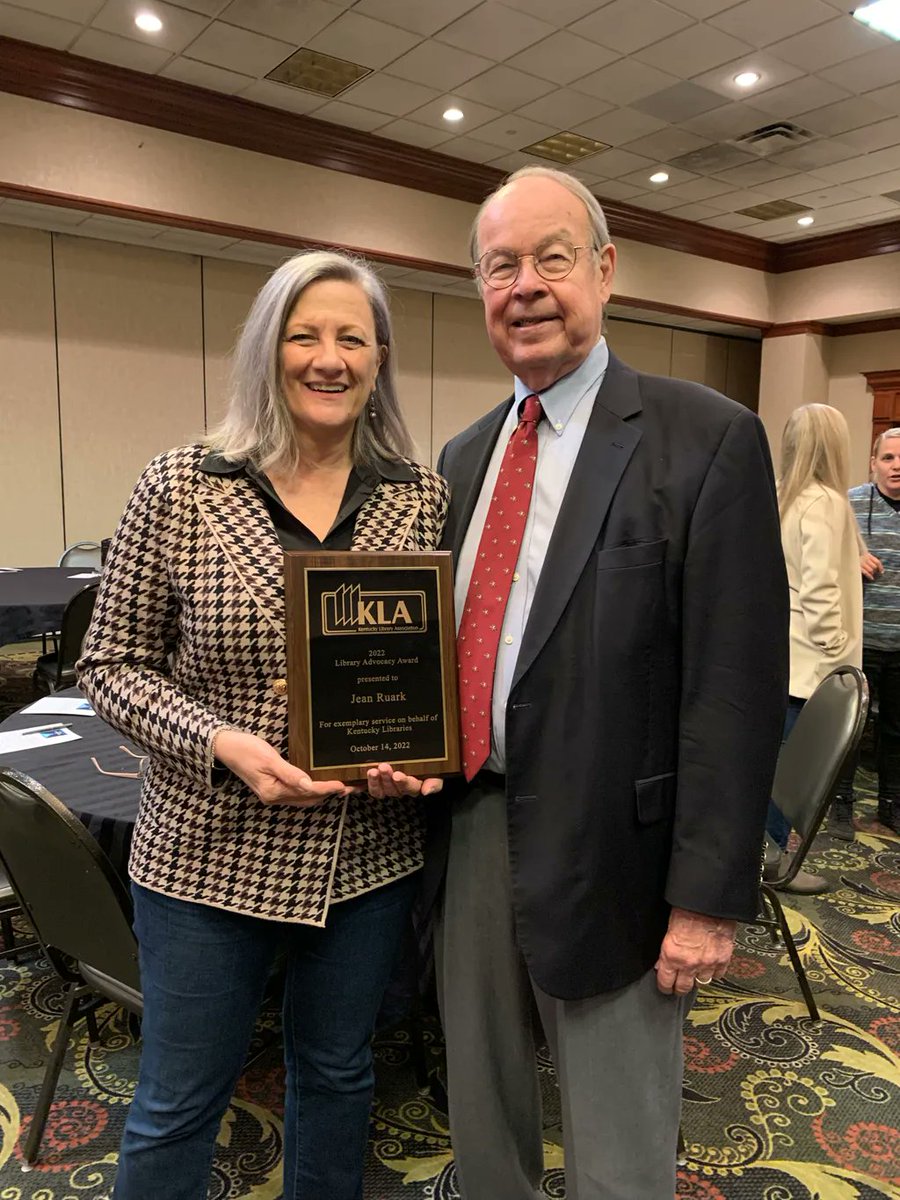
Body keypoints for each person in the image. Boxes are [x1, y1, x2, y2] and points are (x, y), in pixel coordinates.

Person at [429, 165, 788, 1200]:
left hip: (619, 861)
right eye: (501, 267)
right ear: (480, 290)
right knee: (482, 1120)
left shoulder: (706, 438)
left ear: (606, 270)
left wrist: (706, 900)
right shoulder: (462, 458)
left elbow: (735, 691)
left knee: (618, 1148)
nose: (526, 286)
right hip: (468, 831)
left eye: (552, 258)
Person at [77, 249, 449, 1200]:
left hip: (365, 855)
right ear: (266, 350)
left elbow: (433, 671)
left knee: (339, 1078)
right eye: (303, 335)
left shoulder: (419, 495)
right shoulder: (182, 485)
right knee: (178, 1103)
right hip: (206, 852)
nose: (328, 358)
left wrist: (422, 756)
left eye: (352, 339)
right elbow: (110, 666)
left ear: (379, 358)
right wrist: (220, 744)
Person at [764, 404, 862, 873]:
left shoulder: (780, 493)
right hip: (812, 661)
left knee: (772, 764)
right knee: (794, 773)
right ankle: (771, 859)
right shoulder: (825, 501)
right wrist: (838, 646)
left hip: (780, 650)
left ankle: (761, 855)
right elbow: (821, 587)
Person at [846, 427, 900, 835]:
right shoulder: (849, 503)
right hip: (858, 638)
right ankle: (839, 807)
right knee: (849, 729)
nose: (896, 466)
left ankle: (890, 808)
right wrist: (852, 557)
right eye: (888, 458)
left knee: (895, 732)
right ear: (873, 464)